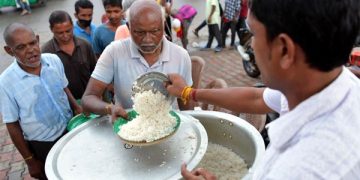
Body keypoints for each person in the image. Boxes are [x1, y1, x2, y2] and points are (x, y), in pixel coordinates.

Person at [166, 0, 360, 179]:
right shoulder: (324, 84)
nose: (250, 44)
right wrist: (189, 93)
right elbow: (256, 98)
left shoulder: (300, 169)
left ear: (284, 50)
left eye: (254, 34)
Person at [81, 0, 192, 121]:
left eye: (155, 31)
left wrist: (191, 118)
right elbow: (88, 98)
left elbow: (187, 106)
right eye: (140, 32)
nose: (148, 39)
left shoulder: (181, 55)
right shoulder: (114, 52)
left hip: (169, 125)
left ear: (163, 25)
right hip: (130, 127)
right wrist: (109, 108)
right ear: (128, 27)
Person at [1, 23, 80, 179]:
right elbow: (12, 124)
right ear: (9, 51)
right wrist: (30, 161)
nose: (30, 50)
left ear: (37, 40)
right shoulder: (5, 82)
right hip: (44, 144)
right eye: (21, 47)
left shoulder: (54, 60)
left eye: (32, 43)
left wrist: (77, 107)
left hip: (70, 129)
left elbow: (64, 88)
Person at [42, 11, 97, 101]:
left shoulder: (84, 45)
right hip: (65, 104)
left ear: (72, 26)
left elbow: (96, 72)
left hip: (89, 100)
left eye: (68, 31)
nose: (65, 36)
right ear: (51, 29)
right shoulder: (46, 52)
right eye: (60, 33)